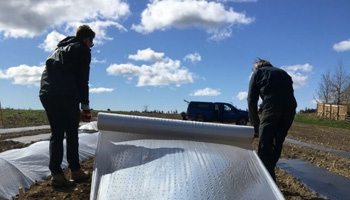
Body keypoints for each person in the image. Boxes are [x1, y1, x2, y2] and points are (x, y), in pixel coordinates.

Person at [39, 25, 95, 187]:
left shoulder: (56, 51)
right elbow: (83, 79)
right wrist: (85, 106)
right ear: (87, 39)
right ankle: (76, 171)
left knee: (56, 134)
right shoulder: (82, 50)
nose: (91, 46)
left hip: (47, 94)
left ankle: (56, 174)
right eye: (92, 42)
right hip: (66, 95)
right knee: (71, 133)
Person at [247, 58, 297, 181]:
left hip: (272, 110)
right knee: (277, 143)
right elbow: (285, 94)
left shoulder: (258, 73)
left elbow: (251, 100)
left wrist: (255, 125)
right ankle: (270, 171)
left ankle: (266, 181)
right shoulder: (284, 73)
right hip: (290, 110)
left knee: (265, 146)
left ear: (257, 67)